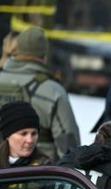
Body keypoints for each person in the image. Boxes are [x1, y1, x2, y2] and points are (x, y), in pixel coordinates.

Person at [0, 27, 79, 160]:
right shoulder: (52, 90)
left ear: (18, 49)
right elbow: (69, 149)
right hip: (39, 175)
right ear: (44, 55)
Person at [0, 100, 50, 168]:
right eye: (23, 134)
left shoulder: (45, 167)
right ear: (7, 135)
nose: (30, 140)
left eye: (34, 133)